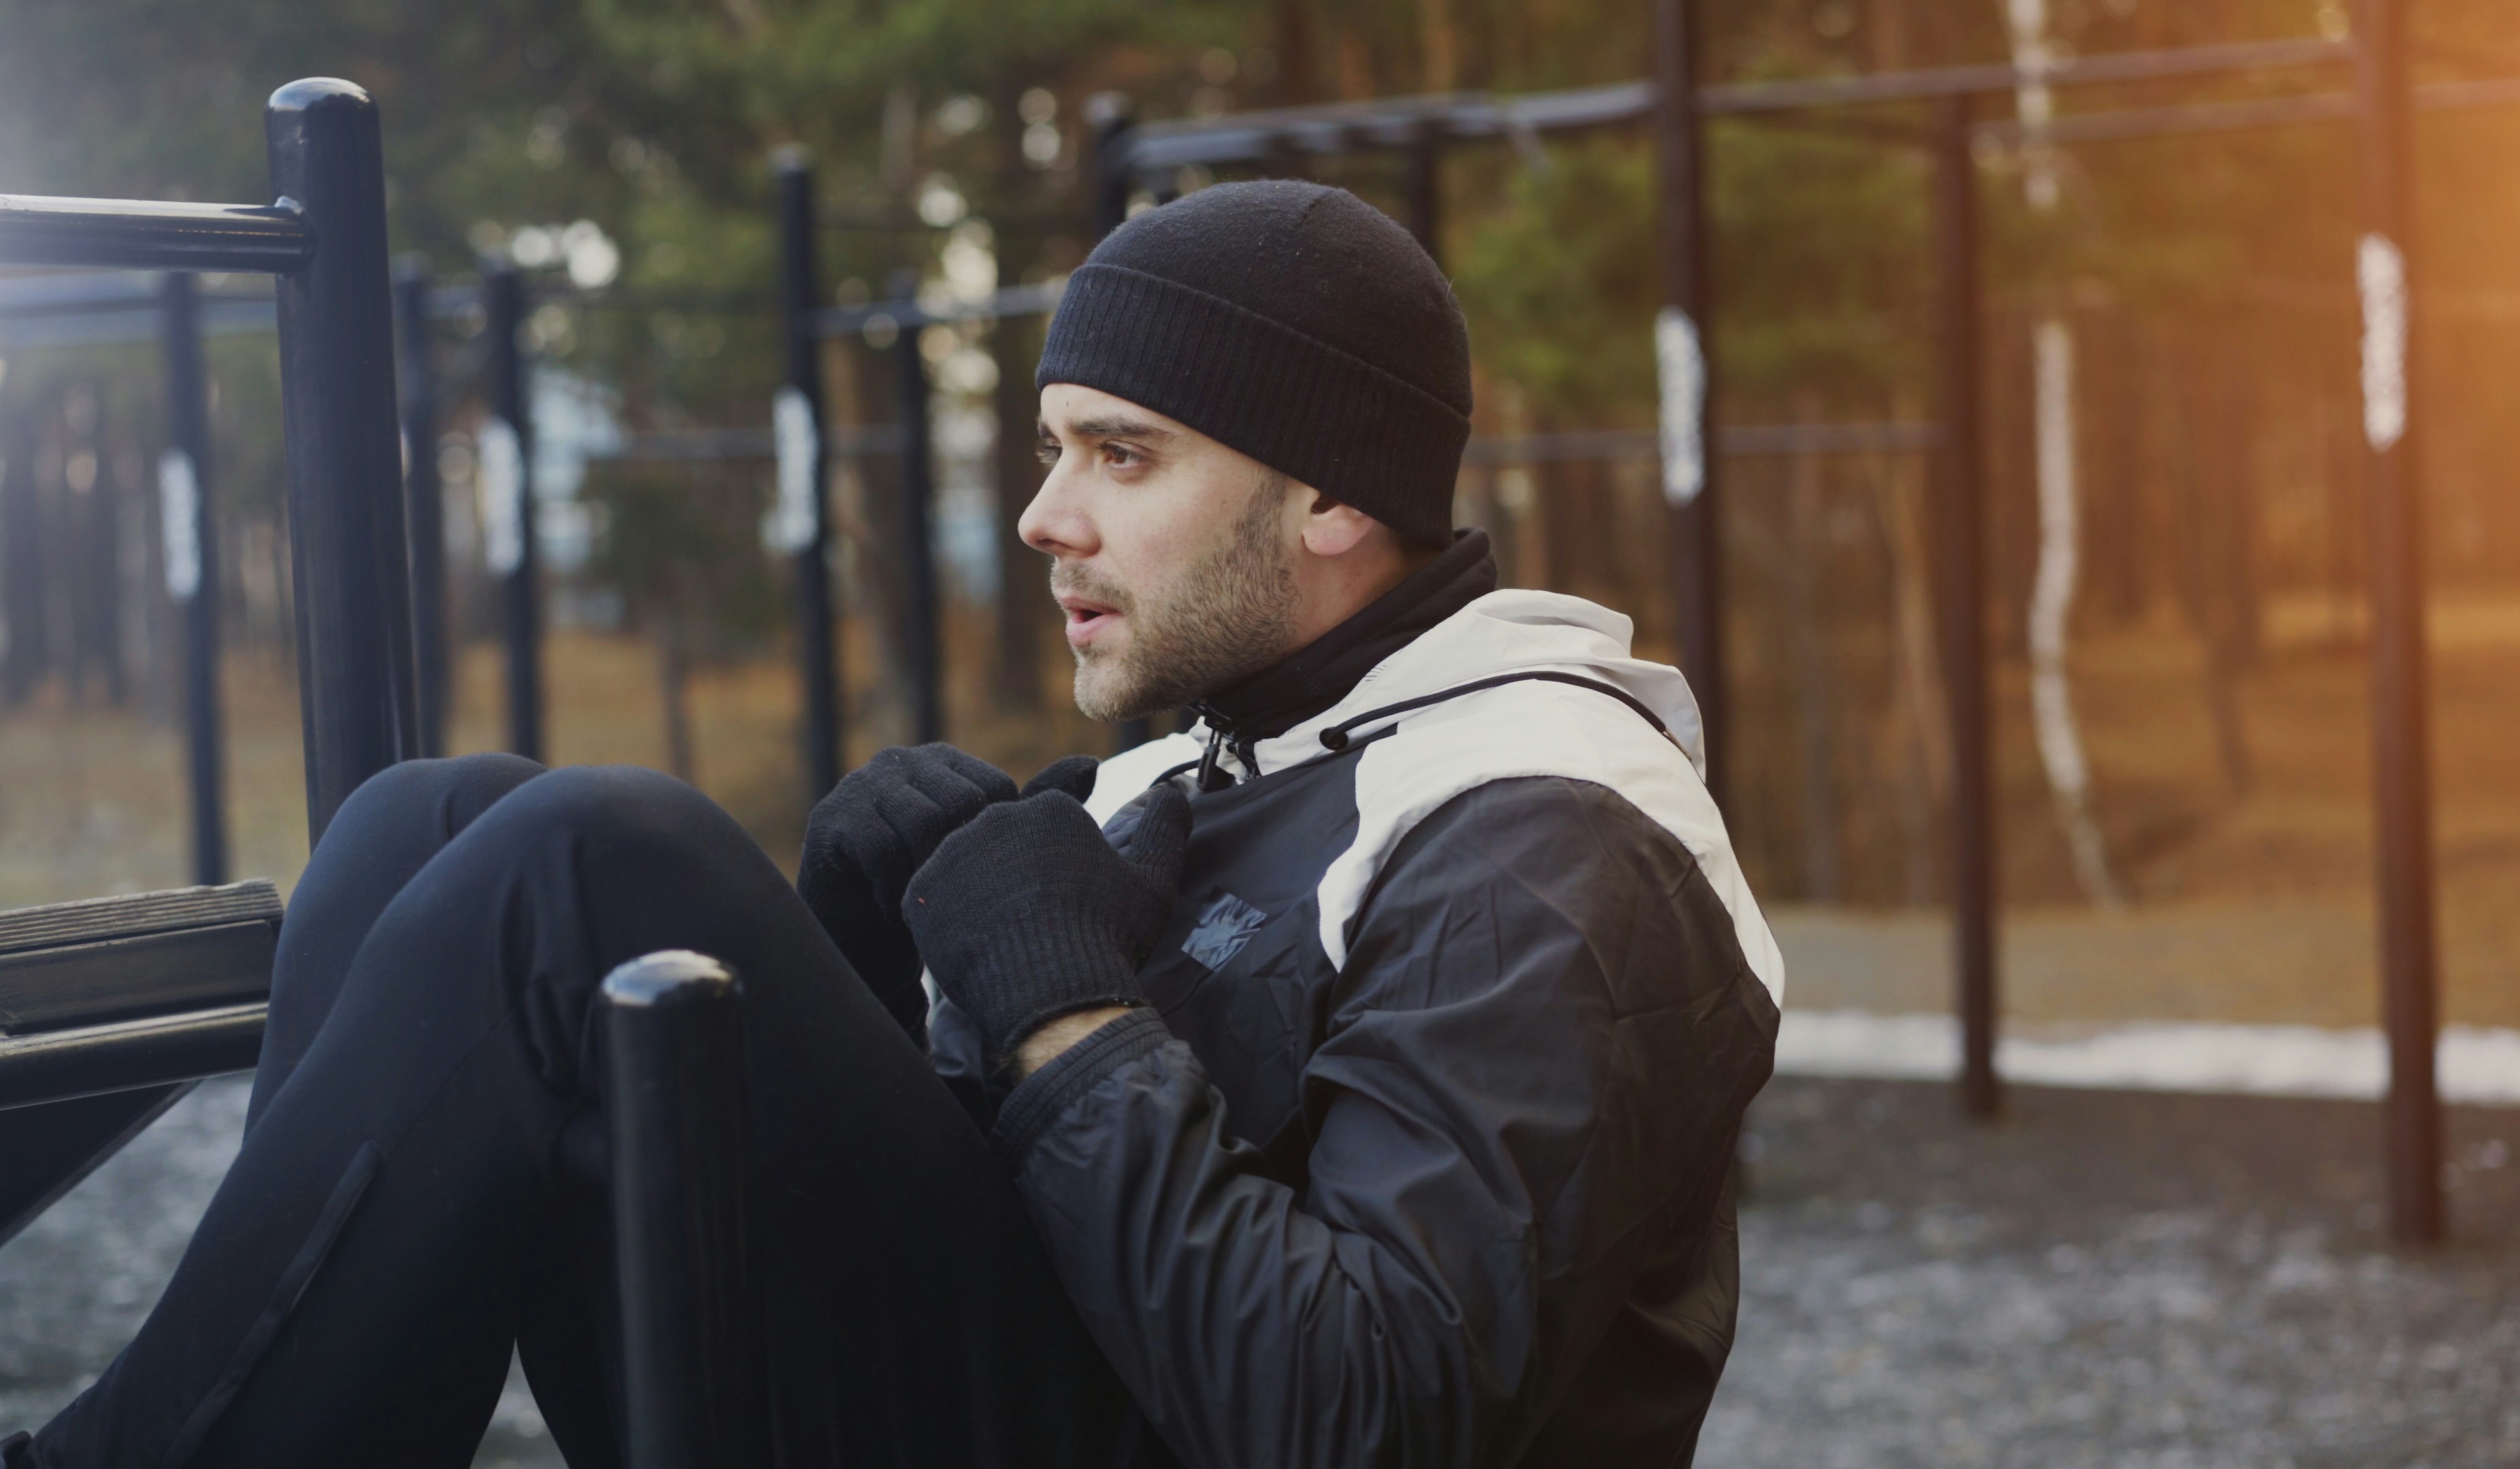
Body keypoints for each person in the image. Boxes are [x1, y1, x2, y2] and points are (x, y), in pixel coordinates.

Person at [12, 179, 1782, 1468]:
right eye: (1050, 451)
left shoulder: (1538, 836)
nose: (1042, 517)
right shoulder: (1212, 765)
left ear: (1332, 495)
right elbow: (997, 1224)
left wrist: (1061, 1008)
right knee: (432, 819)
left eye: (1122, 456)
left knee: (587, 861)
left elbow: (1356, 1414)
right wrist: (858, 959)